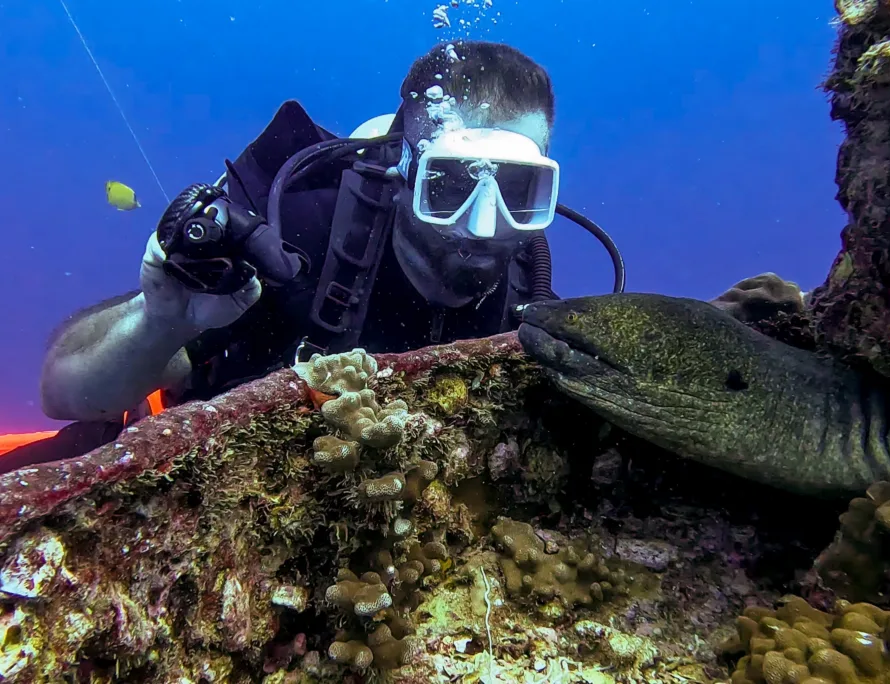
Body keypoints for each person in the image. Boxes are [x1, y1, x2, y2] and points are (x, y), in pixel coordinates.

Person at [1, 40, 624, 472]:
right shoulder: (297, 232)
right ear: (404, 167)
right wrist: (162, 320)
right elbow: (66, 394)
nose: (486, 226)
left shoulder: (526, 279)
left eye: (520, 190)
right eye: (451, 185)